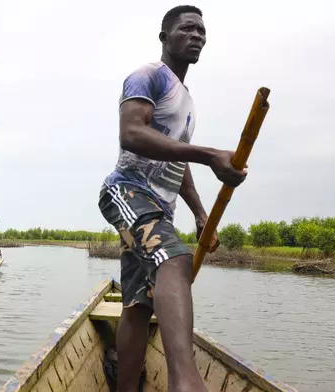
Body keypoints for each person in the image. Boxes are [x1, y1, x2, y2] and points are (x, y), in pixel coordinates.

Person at [97, 6, 247, 392]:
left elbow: (177, 159)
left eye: (201, 30)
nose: (197, 35)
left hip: (159, 207)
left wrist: (200, 214)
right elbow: (131, 133)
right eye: (187, 28)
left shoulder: (187, 100)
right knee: (174, 259)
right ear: (165, 37)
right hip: (126, 189)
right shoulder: (148, 76)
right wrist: (212, 154)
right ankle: (187, 382)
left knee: (138, 305)